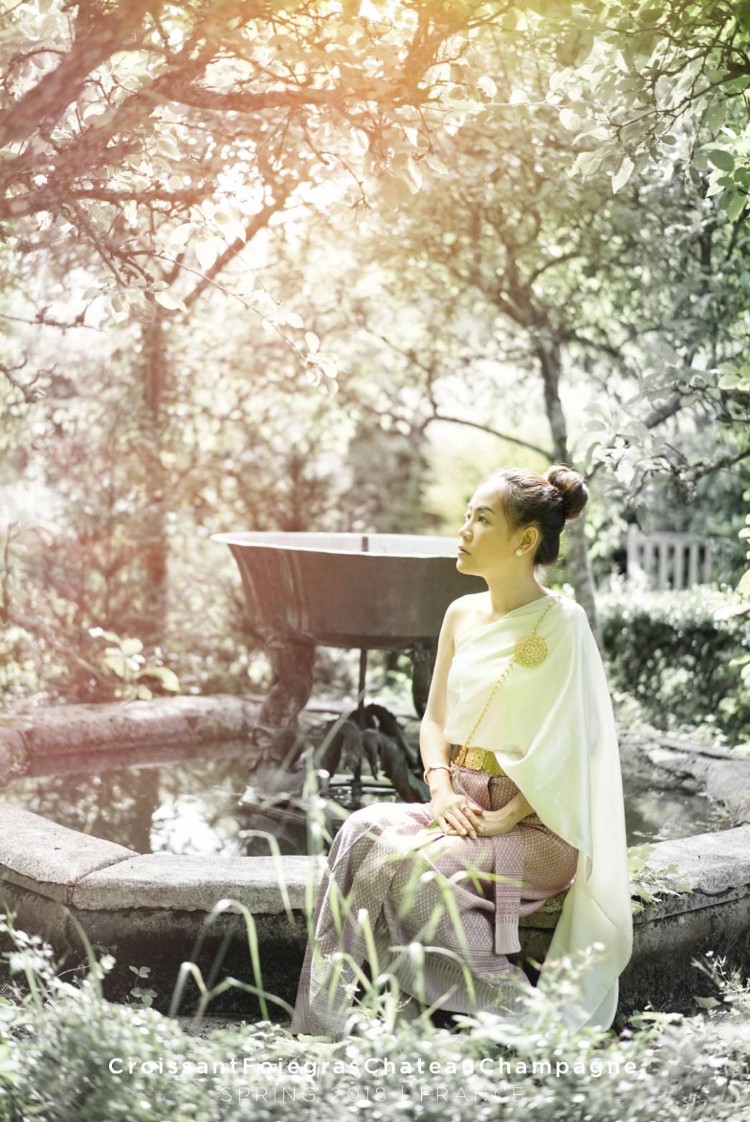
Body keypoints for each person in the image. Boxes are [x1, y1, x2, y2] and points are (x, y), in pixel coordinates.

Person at [290, 464, 633, 1038]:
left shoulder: (564, 623)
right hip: (461, 800)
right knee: (358, 831)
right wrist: (442, 790)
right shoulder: (461, 614)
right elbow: (436, 720)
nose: (464, 529)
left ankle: (522, 1016)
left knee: (419, 872)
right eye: (467, 516)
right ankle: (325, 1021)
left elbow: (577, 744)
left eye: (482, 519)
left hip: (537, 823)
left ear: (525, 539)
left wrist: (509, 814)